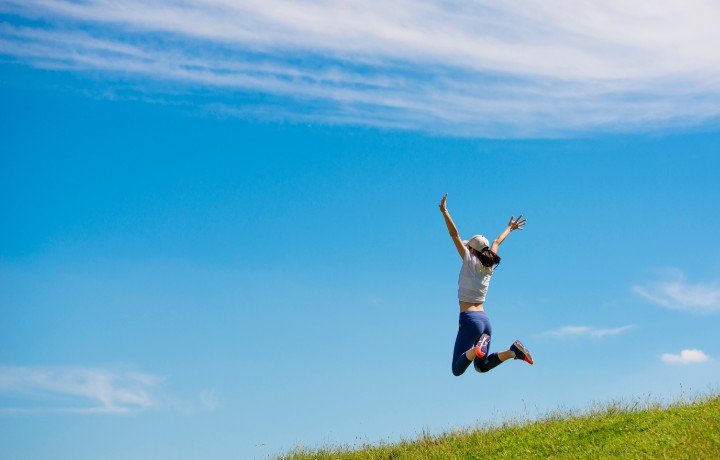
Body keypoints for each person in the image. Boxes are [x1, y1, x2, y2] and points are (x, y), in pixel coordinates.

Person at [439, 193, 534, 377]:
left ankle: (477, 349)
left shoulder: (469, 260)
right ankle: (513, 351)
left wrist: (445, 211)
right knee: (481, 367)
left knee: (456, 370)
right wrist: (510, 228)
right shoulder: (489, 266)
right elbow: (497, 242)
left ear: (471, 250)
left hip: (470, 321)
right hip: (485, 322)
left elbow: (454, 234)